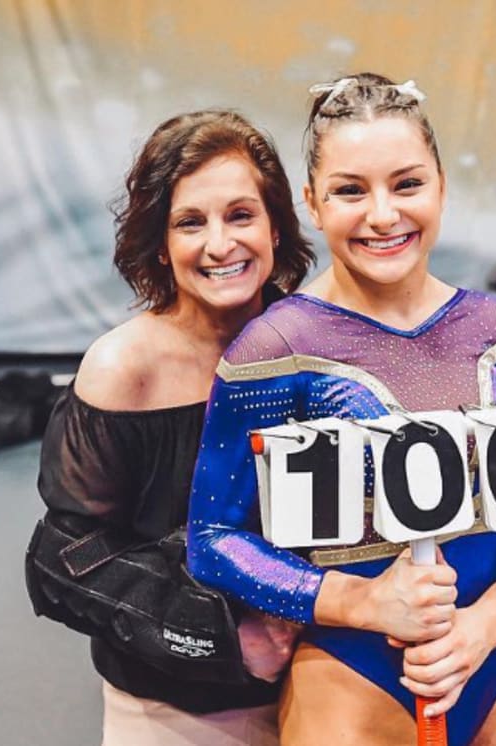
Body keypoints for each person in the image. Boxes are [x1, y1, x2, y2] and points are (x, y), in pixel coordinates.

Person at [188, 73, 496, 745]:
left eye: (406, 184)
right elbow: (214, 540)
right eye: (351, 190)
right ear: (314, 205)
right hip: (354, 688)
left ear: (441, 186)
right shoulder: (276, 348)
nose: (383, 215)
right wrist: (363, 601)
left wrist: (487, 624)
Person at [32, 110, 315, 745]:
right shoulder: (123, 366)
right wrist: (224, 638)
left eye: (241, 215)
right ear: (160, 242)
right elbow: (67, 560)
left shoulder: (317, 346)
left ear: (275, 227)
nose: (221, 244)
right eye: (192, 222)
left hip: (330, 689)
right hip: (184, 714)